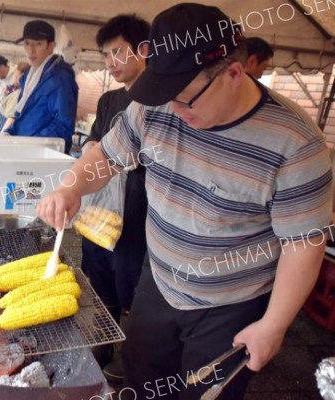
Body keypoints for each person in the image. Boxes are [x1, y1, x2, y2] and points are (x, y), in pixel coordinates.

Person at [37, 4, 332, 399]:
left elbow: (303, 243)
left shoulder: (296, 144)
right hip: (158, 280)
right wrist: (71, 188)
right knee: (143, 381)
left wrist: (274, 325)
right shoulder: (155, 105)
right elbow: (107, 157)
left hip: (230, 304)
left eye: (186, 99)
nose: (174, 110)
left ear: (233, 72)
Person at [80, 14, 149, 383]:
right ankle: (102, 345)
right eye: (106, 55)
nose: (111, 63)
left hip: (141, 210)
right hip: (103, 209)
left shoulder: (160, 100)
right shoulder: (109, 100)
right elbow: (92, 142)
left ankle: (135, 357)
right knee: (98, 270)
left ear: (144, 50)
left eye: (118, 52)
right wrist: (91, 146)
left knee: (134, 283)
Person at [5, 20, 78, 154]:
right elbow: (22, 116)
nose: (31, 50)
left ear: (50, 46)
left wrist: (29, 144)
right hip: (25, 152)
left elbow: (63, 126)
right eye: (27, 43)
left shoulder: (61, 78)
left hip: (43, 157)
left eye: (38, 43)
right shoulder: (29, 77)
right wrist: (9, 132)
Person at [0, 61, 30, 135]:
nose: (14, 76)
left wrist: (0, 139)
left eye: (16, 73)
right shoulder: (17, 92)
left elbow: (11, 119)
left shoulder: (17, 94)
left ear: (22, 75)